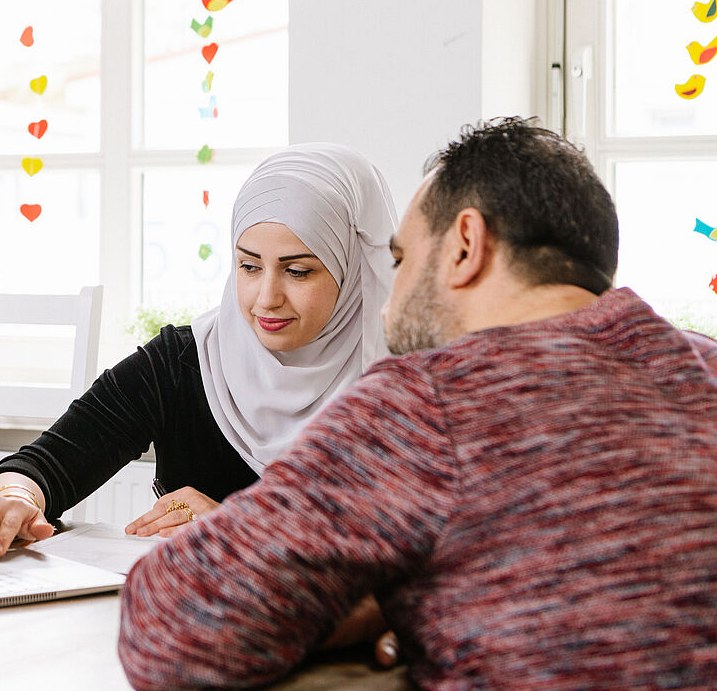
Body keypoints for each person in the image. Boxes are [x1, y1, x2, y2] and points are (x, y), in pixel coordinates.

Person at [117, 118, 717, 690]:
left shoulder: (429, 404)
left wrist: (382, 604)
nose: (385, 294)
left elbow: (170, 627)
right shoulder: (704, 367)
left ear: (465, 245)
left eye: (399, 258)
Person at [0, 143, 398, 557]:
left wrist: (239, 528)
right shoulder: (183, 363)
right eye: (249, 266)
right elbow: (47, 463)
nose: (266, 298)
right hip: (179, 630)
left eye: (297, 271)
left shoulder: (404, 392)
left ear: (353, 271)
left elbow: (405, 553)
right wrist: (17, 498)